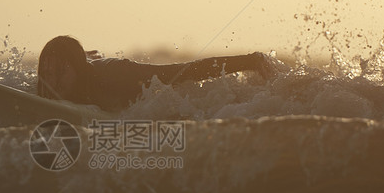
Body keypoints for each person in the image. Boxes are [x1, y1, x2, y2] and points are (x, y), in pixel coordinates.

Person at [37, 35, 281, 111]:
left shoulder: (116, 75)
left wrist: (248, 61)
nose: (52, 82)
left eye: (60, 72)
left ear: (78, 70)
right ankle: (92, 54)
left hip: (118, 75)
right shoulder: (49, 85)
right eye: (46, 74)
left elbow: (182, 72)